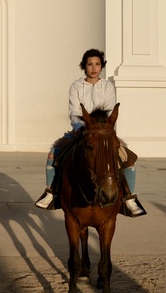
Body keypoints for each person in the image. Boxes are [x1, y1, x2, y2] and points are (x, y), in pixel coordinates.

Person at [35, 48, 146, 217]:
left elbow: (110, 112)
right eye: (90, 64)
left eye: (97, 64)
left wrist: (107, 131)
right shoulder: (76, 86)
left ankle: (129, 198)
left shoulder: (107, 86)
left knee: (128, 159)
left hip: (104, 132)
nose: (93, 68)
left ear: (101, 67)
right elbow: (73, 111)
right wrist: (83, 128)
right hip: (81, 130)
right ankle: (51, 192)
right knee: (53, 154)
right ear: (84, 66)